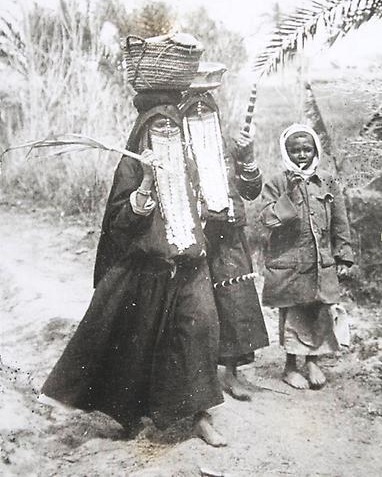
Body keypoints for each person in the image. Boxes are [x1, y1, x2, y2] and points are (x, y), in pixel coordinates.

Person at [41, 89, 226, 447]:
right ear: (145, 134)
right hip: (149, 270)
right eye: (158, 129)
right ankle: (130, 418)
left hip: (191, 268)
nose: (167, 134)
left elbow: (213, 200)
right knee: (139, 345)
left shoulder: (191, 161)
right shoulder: (131, 166)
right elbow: (118, 225)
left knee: (200, 334)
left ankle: (202, 417)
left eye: (172, 128)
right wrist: (144, 185)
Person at [180, 66, 269, 401]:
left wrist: (247, 158)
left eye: (206, 105)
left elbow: (250, 190)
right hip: (194, 235)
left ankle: (231, 374)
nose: (201, 110)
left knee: (235, 302)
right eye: (193, 106)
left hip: (229, 234)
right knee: (198, 309)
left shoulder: (227, 146)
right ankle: (201, 379)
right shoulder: (178, 146)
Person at [260, 123, 354, 389]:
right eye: (295, 150)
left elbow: (339, 220)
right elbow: (267, 219)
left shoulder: (328, 181)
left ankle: (313, 361)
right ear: (286, 152)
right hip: (290, 262)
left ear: (315, 151)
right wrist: (289, 194)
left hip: (320, 260)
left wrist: (343, 254)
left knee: (319, 310)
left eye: (306, 149)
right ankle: (291, 365)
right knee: (293, 312)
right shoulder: (277, 182)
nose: (301, 155)